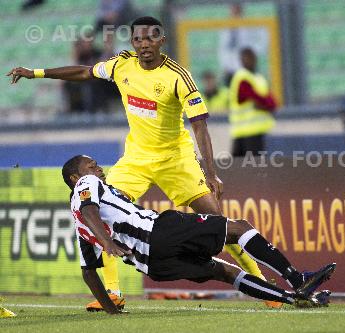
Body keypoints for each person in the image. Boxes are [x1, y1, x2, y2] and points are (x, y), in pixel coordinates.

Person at [7, 16, 271, 310]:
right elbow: (84, 72)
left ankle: (262, 285)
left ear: (161, 41)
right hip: (137, 158)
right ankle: (112, 292)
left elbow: (200, 127)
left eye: (149, 39)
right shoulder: (121, 65)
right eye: (137, 39)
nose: (143, 44)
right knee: (103, 212)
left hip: (176, 159)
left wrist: (211, 173)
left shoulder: (178, 76)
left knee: (219, 223)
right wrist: (36, 73)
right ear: (132, 42)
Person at [62, 155, 336, 314]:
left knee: (224, 272)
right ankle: (297, 278)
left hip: (154, 265)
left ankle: (293, 299)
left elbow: (89, 272)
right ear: (76, 178)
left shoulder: (81, 229)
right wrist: (109, 241)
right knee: (239, 227)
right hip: (159, 232)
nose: (98, 169)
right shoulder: (86, 186)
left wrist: (111, 310)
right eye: (91, 166)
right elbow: (89, 209)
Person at [229, 48, 277, 157]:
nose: (248, 60)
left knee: (250, 167)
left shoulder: (259, 78)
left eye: (250, 57)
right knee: (242, 166)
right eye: (245, 58)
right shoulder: (242, 77)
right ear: (241, 60)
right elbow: (251, 96)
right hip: (243, 132)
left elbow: (271, 102)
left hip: (257, 131)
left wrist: (265, 104)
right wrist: (265, 104)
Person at [218, 4, 269, 86]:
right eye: (233, 7)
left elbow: (263, 39)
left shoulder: (250, 23)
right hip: (231, 70)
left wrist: (252, 53)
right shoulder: (226, 27)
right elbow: (223, 48)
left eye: (237, 7)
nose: (234, 10)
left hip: (248, 68)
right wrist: (225, 65)